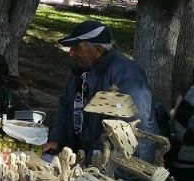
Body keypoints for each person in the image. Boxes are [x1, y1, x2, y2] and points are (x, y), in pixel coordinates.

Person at [43, 20, 158, 161]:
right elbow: (65, 109)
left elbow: (131, 133)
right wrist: (58, 139)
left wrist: (98, 166)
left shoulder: (127, 76)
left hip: (115, 167)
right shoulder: (80, 70)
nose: (71, 53)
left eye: (76, 48)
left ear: (98, 51)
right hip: (83, 160)